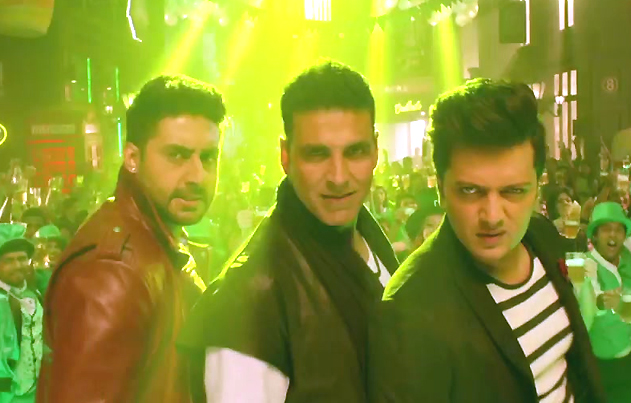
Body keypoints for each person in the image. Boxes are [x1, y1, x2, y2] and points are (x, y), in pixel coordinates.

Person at [369, 79, 605, 403]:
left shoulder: (541, 235)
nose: (492, 216)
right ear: (441, 189)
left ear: (537, 187)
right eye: (470, 191)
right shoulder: (410, 309)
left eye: (513, 191)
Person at [178, 61, 399, 402]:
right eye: (317, 154)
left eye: (355, 152)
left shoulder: (368, 237)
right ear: (286, 156)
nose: (339, 176)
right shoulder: (248, 302)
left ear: (375, 150)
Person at [36, 74, 226, 403]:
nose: (197, 175)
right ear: (133, 158)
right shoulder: (112, 272)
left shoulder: (157, 241)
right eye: (177, 155)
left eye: (208, 157)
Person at [575, 202, 631, 403]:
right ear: (595, 236)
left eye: (618, 229)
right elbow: (585, 315)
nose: (613, 235)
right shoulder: (584, 265)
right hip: (601, 366)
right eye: (606, 229)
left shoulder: (627, 259)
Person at [0, 223, 44, 403]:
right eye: (9, 261)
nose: (17, 265)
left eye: (22, 259)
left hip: (35, 392)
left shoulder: (34, 294)